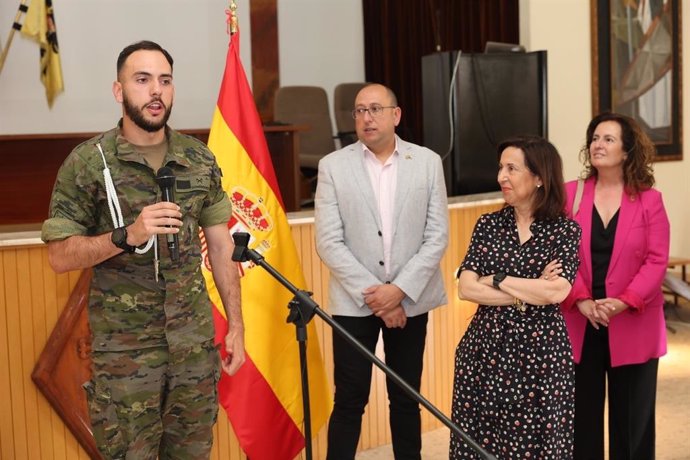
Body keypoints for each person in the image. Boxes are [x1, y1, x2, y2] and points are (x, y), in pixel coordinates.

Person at [41, 40, 245, 459]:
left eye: (165, 81)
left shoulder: (198, 158)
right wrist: (125, 235)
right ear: (119, 91)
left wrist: (237, 327)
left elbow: (222, 247)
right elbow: (60, 256)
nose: (156, 91)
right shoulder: (88, 163)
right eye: (142, 80)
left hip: (193, 348)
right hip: (125, 355)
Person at [314, 83, 448, 460]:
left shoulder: (427, 162)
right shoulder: (333, 166)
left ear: (396, 115)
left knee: (406, 396)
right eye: (359, 111)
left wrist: (399, 291)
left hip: (411, 300)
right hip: (355, 302)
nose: (366, 118)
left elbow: (436, 237)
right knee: (350, 397)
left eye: (374, 109)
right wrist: (379, 296)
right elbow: (328, 242)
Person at [451, 136, 581, 459]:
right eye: (500, 168)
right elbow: (466, 287)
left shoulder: (564, 230)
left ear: (539, 177)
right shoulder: (488, 225)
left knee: (540, 445)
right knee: (481, 443)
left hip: (542, 357)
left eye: (512, 168)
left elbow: (556, 291)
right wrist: (527, 290)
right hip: (485, 352)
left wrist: (497, 279)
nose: (501, 177)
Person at [561, 112, 670, 459]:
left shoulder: (650, 200)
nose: (598, 144)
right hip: (581, 321)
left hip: (633, 322)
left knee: (632, 424)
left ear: (627, 151)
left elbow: (656, 260)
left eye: (608, 139)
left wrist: (624, 300)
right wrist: (581, 300)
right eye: (594, 138)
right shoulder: (570, 195)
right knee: (582, 421)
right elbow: (560, 257)